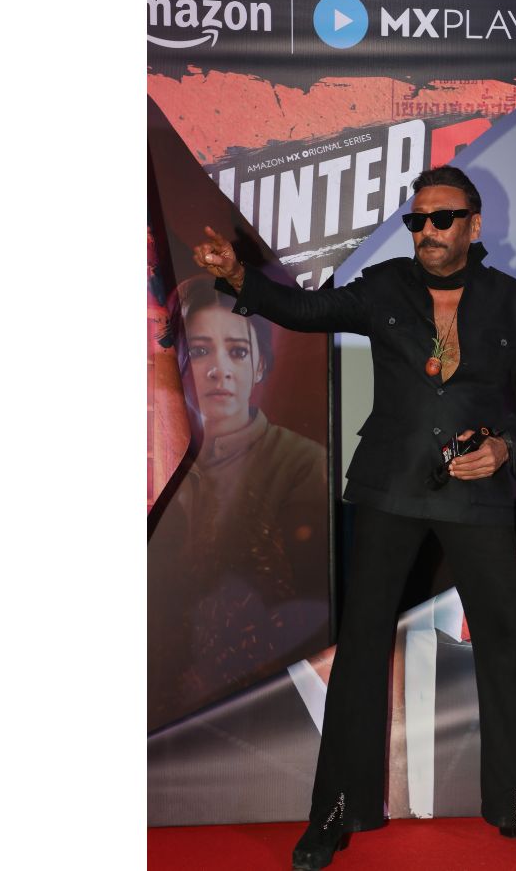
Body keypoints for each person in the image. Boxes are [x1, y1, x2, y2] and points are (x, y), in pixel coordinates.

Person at [195, 165, 516, 868]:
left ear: (473, 224)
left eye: (441, 218)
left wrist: (503, 449)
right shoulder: (383, 288)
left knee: (502, 645)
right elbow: (304, 311)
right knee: (362, 649)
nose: (426, 231)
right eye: (416, 220)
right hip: (389, 489)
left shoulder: (511, 301)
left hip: (477, 494)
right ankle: (334, 813)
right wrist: (240, 277)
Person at [147, 274, 329, 732]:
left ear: (260, 365)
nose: (219, 370)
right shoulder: (158, 461)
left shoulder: (302, 465)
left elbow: (308, 614)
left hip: (263, 714)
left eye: (238, 352)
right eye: (201, 351)